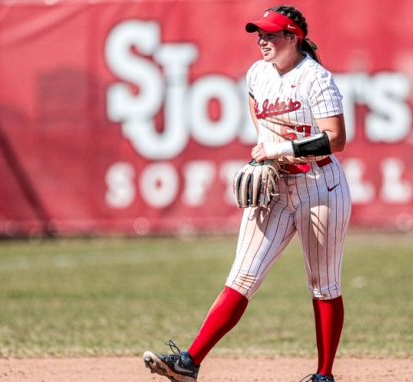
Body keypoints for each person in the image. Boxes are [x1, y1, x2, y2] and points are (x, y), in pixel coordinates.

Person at [143, 5, 352, 382]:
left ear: (293, 37)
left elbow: (336, 139)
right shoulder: (258, 73)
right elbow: (259, 112)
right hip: (276, 187)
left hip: (321, 187)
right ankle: (189, 362)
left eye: (271, 34)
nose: (262, 40)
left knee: (324, 283)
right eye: (259, 34)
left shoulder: (315, 78)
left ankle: (324, 374)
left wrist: (282, 149)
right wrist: (265, 147)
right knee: (242, 277)